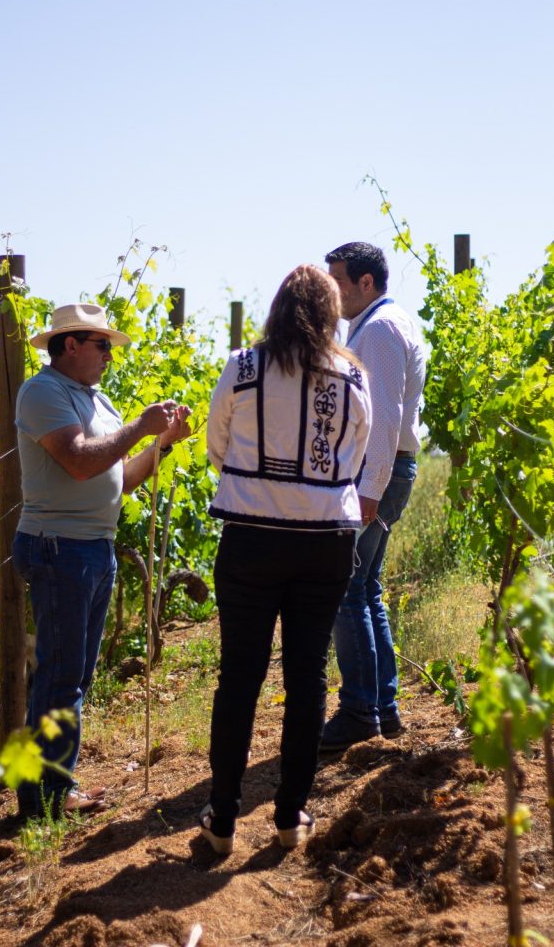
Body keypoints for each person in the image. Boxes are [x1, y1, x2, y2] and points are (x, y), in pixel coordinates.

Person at [201, 265, 371, 853]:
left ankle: (223, 818)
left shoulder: (243, 367)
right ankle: (290, 815)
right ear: (330, 315)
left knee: (239, 676)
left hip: (252, 537)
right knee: (307, 675)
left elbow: (217, 446)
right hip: (326, 540)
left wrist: (260, 483)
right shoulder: (353, 377)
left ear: (276, 309)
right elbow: (354, 456)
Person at [12, 302, 191, 818]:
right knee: (61, 675)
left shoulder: (97, 400)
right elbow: (78, 461)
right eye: (102, 345)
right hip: (58, 547)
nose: (110, 355)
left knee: (75, 675)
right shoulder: (43, 392)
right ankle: (44, 797)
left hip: (92, 548)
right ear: (70, 345)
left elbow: (122, 480)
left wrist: (162, 443)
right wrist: (140, 426)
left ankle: (52, 787)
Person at [320, 242, 426, 755]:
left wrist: (369, 490)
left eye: (338, 281)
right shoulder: (378, 324)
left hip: (375, 471)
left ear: (366, 282)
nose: (332, 292)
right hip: (382, 469)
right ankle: (382, 706)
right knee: (365, 588)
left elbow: (383, 419)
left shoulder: (380, 330)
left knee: (347, 588)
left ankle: (361, 711)